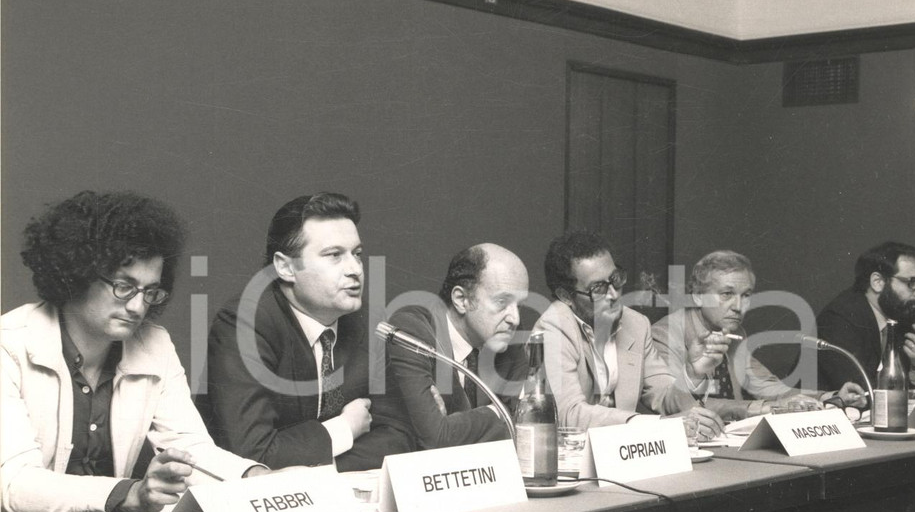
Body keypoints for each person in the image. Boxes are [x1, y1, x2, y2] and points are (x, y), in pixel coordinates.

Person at [1, 191, 268, 512]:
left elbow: (192, 447)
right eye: (125, 286)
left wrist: (254, 477)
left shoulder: (154, 343)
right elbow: (15, 485)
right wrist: (128, 493)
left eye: (152, 291)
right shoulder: (8, 346)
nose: (140, 305)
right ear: (75, 271)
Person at [203, 192, 409, 471]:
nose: (355, 269)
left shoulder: (366, 322)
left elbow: (399, 439)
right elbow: (253, 452)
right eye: (334, 255)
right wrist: (344, 430)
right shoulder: (245, 322)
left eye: (357, 254)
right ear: (286, 267)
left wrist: (321, 466)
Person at [532, 230, 723, 438]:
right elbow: (569, 415)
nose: (614, 294)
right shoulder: (552, 327)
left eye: (615, 279)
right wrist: (654, 425)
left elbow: (665, 397)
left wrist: (693, 372)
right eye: (598, 288)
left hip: (624, 454)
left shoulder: (636, 324)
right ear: (566, 296)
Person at [651, 250, 867, 422]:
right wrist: (761, 408)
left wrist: (827, 396)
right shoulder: (666, 333)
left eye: (746, 296)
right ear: (698, 297)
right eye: (727, 294)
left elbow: (765, 385)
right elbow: (680, 404)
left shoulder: (734, 332)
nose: (738, 307)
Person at [371, 244, 529, 450]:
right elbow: (436, 437)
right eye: (502, 302)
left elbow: (527, 423)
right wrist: (502, 412)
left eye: (520, 305)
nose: (515, 318)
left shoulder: (508, 335)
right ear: (461, 299)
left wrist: (455, 423)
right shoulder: (413, 328)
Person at [816, 242, 915, 392]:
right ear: (877, 282)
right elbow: (859, 391)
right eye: (912, 283)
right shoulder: (839, 318)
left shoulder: (900, 316)